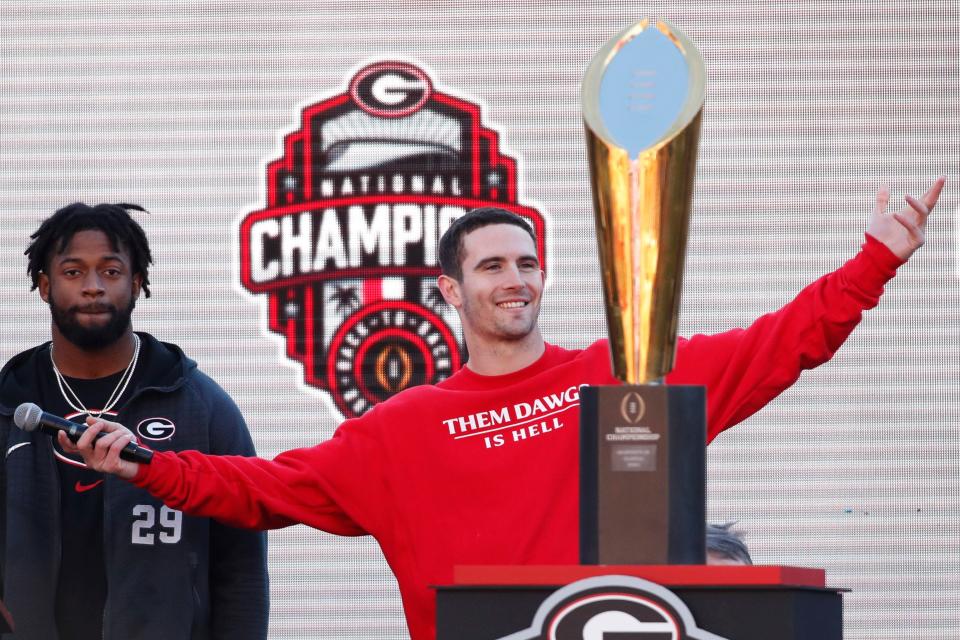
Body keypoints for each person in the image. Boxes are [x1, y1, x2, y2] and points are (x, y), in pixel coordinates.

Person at [67, 178, 945, 640]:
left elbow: (779, 344)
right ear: (450, 289)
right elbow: (262, 489)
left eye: (526, 262)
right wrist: (141, 463)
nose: (515, 279)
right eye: (491, 266)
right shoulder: (400, 430)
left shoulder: (621, 380)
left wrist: (876, 262)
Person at [0, 203, 269, 640]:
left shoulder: (201, 405)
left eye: (110, 271)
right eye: (73, 272)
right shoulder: (11, 402)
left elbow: (241, 566)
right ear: (44, 285)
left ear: (137, 282)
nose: (92, 288)